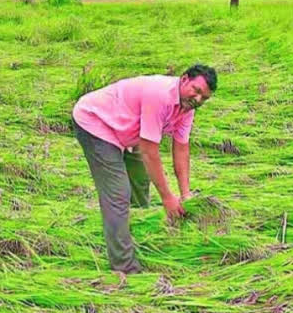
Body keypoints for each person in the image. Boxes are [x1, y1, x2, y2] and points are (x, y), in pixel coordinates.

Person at [72, 64, 217, 273]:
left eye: (204, 98)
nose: (198, 99)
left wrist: (186, 194)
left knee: (140, 181)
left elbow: (182, 150)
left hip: (128, 129)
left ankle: (138, 233)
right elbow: (150, 151)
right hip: (97, 122)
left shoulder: (187, 108)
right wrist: (168, 197)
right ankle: (124, 267)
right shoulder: (160, 95)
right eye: (196, 90)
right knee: (118, 194)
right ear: (184, 79)